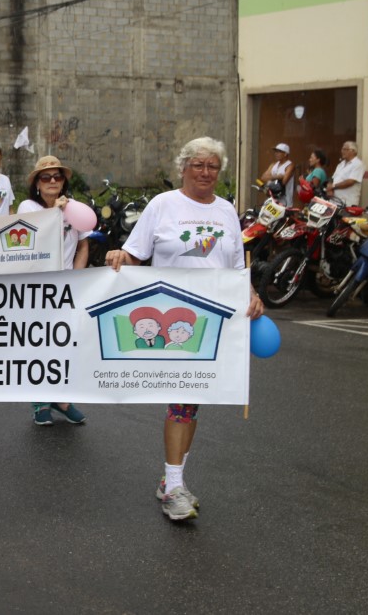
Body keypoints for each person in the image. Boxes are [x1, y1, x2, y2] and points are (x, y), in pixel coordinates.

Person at [105, 137, 264, 521]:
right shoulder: (163, 206)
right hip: (171, 317)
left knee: (192, 399)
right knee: (181, 398)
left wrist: (253, 292)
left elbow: (235, 267)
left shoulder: (226, 210)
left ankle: (171, 479)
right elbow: (137, 253)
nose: (206, 173)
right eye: (199, 165)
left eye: (213, 167)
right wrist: (120, 256)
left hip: (215, 319)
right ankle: (173, 486)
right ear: (184, 168)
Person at [16, 156, 88, 425]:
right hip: (36, 287)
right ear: (36, 183)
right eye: (46, 177)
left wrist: (77, 278)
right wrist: (55, 213)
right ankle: (40, 402)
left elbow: (83, 244)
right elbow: (32, 238)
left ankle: (61, 398)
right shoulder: (28, 206)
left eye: (58, 176)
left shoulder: (73, 208)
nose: (53, 181)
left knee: (64, 343)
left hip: (65, 287)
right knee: (39, 343)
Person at [328, 141, 364, 207]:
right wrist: (329, 188)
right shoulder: (341, 164)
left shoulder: (358, 164)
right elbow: (332, 178)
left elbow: (350, 181)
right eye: (342, 149)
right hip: (334, 202)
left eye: (345, 149)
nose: (342, 151)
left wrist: (333, 186)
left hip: (348, 203)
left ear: (353, 151)